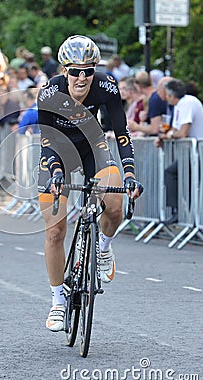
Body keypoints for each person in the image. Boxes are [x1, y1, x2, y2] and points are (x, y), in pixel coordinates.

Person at [37, 35, 143, 332]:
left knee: (115, 204)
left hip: (92, 147)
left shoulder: (106, 86)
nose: (81, 77)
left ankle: (104, 247)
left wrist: (131, 173)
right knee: (56, 230)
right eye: (74, 70)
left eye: (88, 70)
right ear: (64, 70)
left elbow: (121, 134)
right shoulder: (49, 93)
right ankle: (58, 299)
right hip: (57, 151)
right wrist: (56, 172)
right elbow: (47, 140)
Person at [155, 79, 203, 224]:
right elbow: (175, 130)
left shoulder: (186, 103)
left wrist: (168, 135)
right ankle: (187, 217)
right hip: (191, 152)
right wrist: (164, 136)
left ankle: (181, 214)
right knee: (187, 182)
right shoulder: (180, 105)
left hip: (196, 151)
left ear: (171, 95)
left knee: (174, 174)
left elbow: (182, 132)